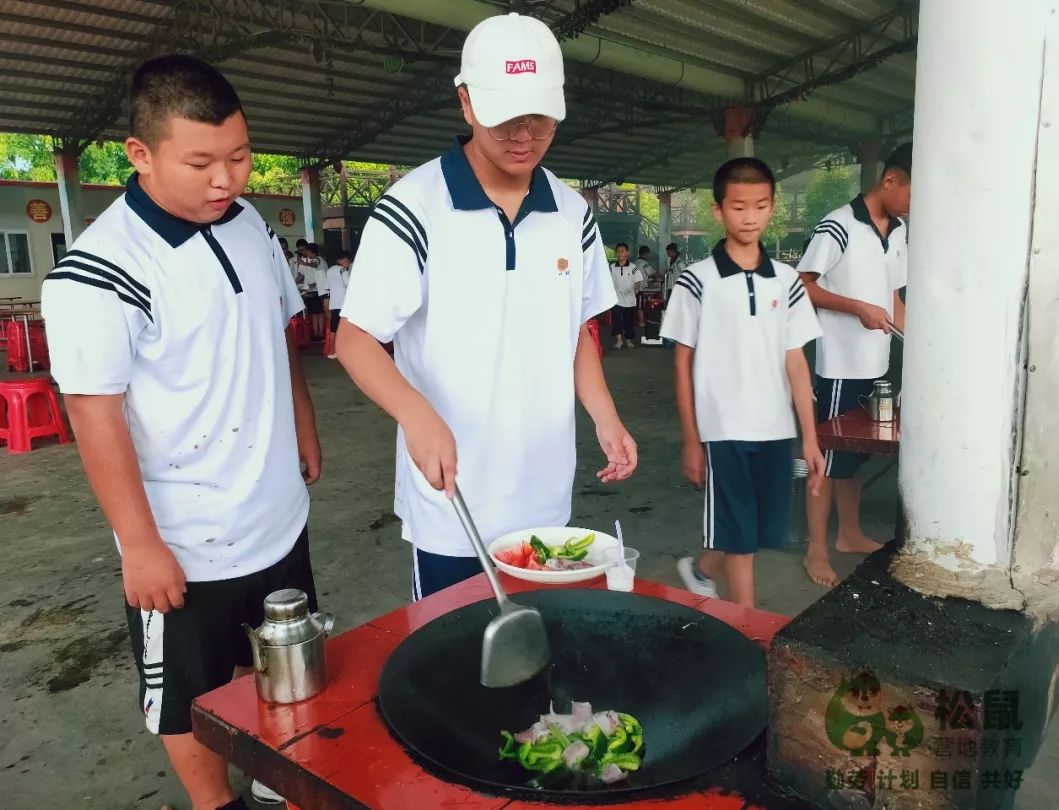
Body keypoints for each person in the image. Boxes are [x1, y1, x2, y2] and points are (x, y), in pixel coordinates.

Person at [40, 55, 321, 810]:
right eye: (201, 162)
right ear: (141, 154)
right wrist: (139, 543)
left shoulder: (250, 223)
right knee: (187, 695)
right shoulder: (98, 272)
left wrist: (302, 422)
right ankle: (216, 803)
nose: (226, 179)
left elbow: (278, 330)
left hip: (275, 513)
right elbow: (94, 414)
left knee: (278, 662)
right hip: (185, 537)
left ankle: (272, 773)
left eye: (239, 156)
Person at [335, 12, 638, 598]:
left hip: (544, 488)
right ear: (467, 104)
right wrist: (415, 416)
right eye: (506, 118)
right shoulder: (414, 208)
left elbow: (576, 330)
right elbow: (356, 339)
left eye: (540, 118)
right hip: (453, 499)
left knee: (539, 649)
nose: (525, 135)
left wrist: (604, 414)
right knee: (457, 659)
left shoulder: (572, 215)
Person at [663, 158, 825, 606]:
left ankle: (698, 569)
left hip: (775, 427)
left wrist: (810, 438)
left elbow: (796, 363)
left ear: (772, 208)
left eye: (759, 206)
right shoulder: (697, 282)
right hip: (723, 429)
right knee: (742, 541)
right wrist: (692, 439)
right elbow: (682, 364)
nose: (749, 217)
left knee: (754, 528)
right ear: (718, 211)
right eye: (738, 207)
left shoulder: (789, 282)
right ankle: (749, 630)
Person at [798, 143, 912, 588]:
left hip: (878, 364)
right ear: (890, 181)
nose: (913, 207)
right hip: (840, 368)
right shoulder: (838, 227)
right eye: (911, 195)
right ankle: (816, 551)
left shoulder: (899, 230)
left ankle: (847, 534)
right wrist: (855, 308)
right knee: (827, 461)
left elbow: (895, 298)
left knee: (857, 458)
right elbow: (802, 286)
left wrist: (919, 346)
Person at [610, 242, 645, 349]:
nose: (620, 254)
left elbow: (638, 281)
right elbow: (607, 281)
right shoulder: (612, 267)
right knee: (616, 320)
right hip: (616, 298)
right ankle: (619, 341)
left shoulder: (633, 267)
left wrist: (635, 291)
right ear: (616, 254)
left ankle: (629, 340)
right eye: (618, 252)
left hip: (630, 299)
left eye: (622, 251)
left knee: (628, 321)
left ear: (627, 253)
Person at [325, 248, 351, 360]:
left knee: (333, 329)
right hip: (344, 304)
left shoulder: (329, 270)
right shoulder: (343, 270)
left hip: (333, 304)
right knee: (345, 329)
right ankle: (345, 352)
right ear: (345, 260)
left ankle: (332, 352)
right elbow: (349, 285)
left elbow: (327, 287)